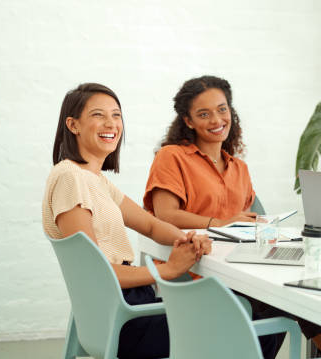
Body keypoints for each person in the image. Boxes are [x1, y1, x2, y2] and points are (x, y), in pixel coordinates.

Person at [143, 76, 321, 357]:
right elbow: (165, 214)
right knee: (290, 295)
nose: (216, 119)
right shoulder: (172, 157)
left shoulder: (239, 168)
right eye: (203, 114)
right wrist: (220, 223)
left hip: (239, 268)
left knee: (296, 288)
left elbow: (247, 223)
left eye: (222, 109)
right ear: (188, 121)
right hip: (196, 273)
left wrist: (262, 227)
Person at [42, 83, 212, 358]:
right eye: (98, 115)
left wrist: (185, 238)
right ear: (73, 125)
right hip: (125, 318)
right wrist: (167, 270)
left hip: (122, 310)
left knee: (242, 318)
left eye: (117, 115)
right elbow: (95, 272)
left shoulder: (93, 179)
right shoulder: (70, 178)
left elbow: (150, 224)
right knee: (245, 323)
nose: (111, 124)